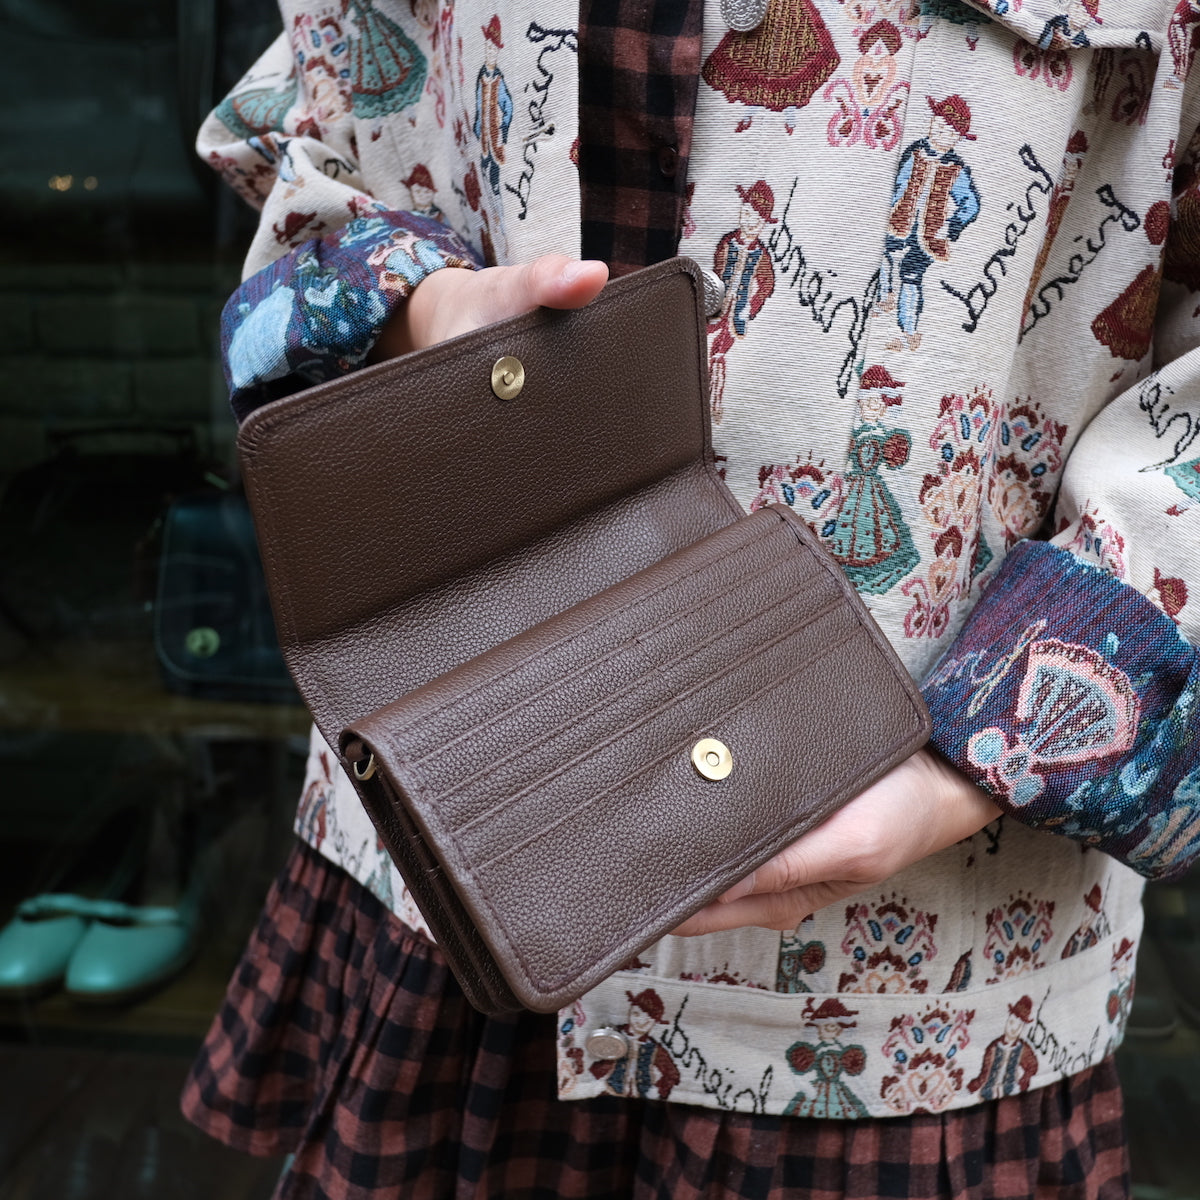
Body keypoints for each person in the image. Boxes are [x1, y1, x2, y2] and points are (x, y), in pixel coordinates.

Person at [183, 2, 1200, 1197]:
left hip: (893, 991)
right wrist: (427, 307)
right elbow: (317, 124)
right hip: (452, 853)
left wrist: (978, 764)